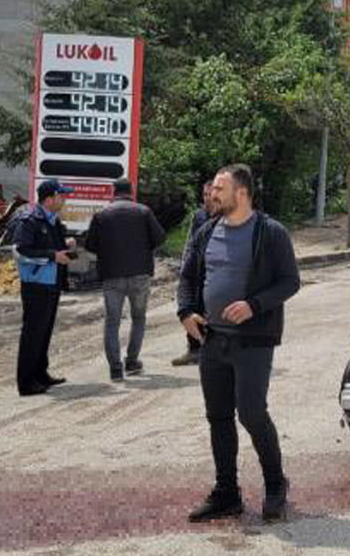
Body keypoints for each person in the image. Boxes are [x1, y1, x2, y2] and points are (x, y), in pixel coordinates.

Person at [178, 164, 301, 523]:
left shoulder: (270, 232)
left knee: (251, 412)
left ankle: (276, 485)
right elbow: (187, 276)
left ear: (241, 193)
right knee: (218, 417)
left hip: (254, 341)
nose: (212, 194)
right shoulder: (206, 231)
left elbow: (290, 282)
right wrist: (185, 311)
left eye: (219, 188)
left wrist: (254, 305)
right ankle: (227, 493)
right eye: (213, 188)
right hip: (213, 339)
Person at [85, 179, 166, 382]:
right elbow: (160, 238)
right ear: (131, 192)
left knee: (112, 321)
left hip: (112, 276)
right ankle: (132, 361)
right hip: (140, 275)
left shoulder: (101, 215)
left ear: (114, 192)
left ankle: (115, 368)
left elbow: (90, 245)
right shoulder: (143, 212)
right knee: (138, 318)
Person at [10, 179, 75, 396]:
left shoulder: (52, 220)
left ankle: (40, 373)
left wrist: (65, 246)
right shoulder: (29, 219)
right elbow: (21, 251)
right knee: (32, 332)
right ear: (49, 199)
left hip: (51, 282)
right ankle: (26, 382)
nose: (64, 199)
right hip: (36, 284)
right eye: (61, 196)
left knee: (44, 331)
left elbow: (49, 246)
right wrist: (53, 256)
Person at [172, 181, 218, 367]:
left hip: (215, 271)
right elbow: (190, 243)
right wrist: (185, 265)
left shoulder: (226, 217)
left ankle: (212, 349)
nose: (207, 198)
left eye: (210, 194)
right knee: (193, 307)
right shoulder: (199, 216)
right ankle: (194, 348)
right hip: (198, 269)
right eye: (205, 194)